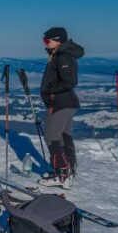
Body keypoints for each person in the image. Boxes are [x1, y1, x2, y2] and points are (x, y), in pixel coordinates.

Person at [39, 26, 84, 189]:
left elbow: (69, 82)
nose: (44, 43)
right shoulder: (60, 55)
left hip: (59, 103)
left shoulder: (63, 57)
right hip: (65, 103)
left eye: (46, 40)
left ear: (57, 41)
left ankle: (62, 174)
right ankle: (68, 171)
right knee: (63, 135)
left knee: (52, 137)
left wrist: (50, 90)